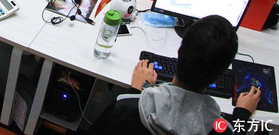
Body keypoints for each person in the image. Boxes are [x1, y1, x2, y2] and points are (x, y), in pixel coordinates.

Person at [92, 15, 260, 135]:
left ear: (179, 51)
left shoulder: (126, 105)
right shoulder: (220, 129)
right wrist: (242, 114)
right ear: (221, 73)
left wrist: (137, 90)